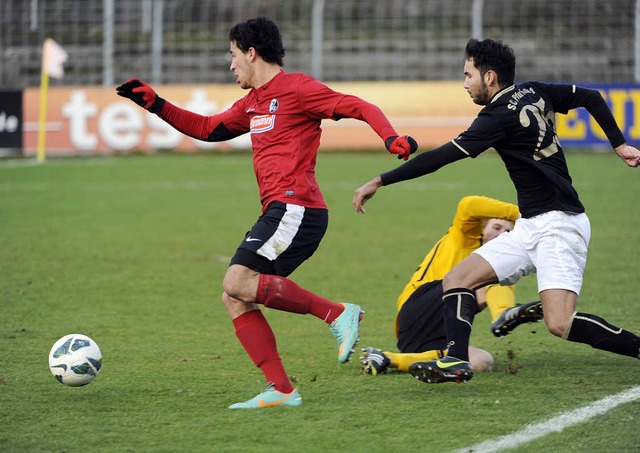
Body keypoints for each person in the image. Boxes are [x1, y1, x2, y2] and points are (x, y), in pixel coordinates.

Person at [116, 17, 418, 407]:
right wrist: (156, 105)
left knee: (237, 280)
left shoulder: (298, 88)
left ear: (251, 52)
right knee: (235, 296)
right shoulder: (253, 102)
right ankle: (282, 390)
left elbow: (359, 105)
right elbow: (209, 129)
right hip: (281, 211)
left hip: (298, 208)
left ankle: (338, 313)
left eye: (233, 55)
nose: (231, 65)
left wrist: (391, 137)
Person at [353, 38, 640, 384]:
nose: (464, 83)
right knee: (456, 279)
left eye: (467, 74)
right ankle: (456, 361)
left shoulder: (495, 118)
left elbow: (440, 157)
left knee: (559, 323)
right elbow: (591, 97)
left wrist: (381, 180)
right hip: (530, 226)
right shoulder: (535, 90)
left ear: (489, 77)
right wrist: (619, 144)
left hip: (560, 226)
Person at [360, 195, 542, 376]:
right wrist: (523, 213)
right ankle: (504, 313)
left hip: (432, 331)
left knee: (481, 361)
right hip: (418, 306)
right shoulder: (465, 238)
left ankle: (386, 358)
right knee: (494, 276)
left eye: (506, 232)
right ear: (481, 227)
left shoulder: (500, 258)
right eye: (496, 227)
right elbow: (468, 204)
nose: (500, 234)